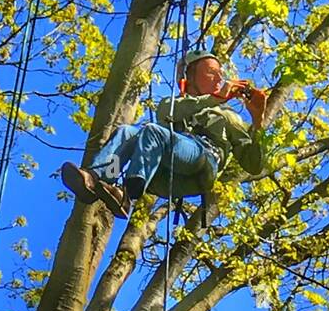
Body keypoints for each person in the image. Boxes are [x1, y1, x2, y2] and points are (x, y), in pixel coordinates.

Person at [60, 50, 270, 218]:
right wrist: (214, 98)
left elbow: (253, 165)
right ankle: (97, 178)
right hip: (163, 175)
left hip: (203, 162)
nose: (219, 78)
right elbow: (168, 113)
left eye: (219, 73)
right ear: (188, 78)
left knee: (152, 132)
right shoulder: (174, 104)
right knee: (126, 132)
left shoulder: (227, 116)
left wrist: (258, 121)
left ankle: (129, 194)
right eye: (210, 72)